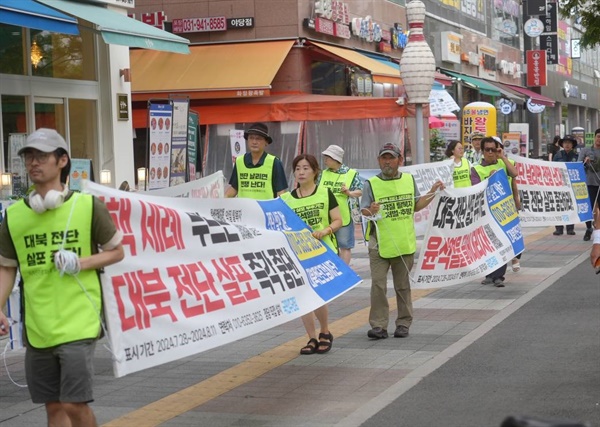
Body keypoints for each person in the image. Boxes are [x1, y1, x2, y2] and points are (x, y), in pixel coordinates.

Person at [0, 128, 125, 427]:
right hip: (38, 326)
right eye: (29, 156)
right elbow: (7, 267)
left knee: (73, 402)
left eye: (42, 156)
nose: (33, 163)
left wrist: (82, 262)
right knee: (54, 406)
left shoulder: (87, 207)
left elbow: (116, 252)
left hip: (78, 322)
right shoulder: (15, 216)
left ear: (62, 161)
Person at [361, 143, 445, 339]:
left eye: (391, 158)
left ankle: (404, 323)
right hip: (379, 243)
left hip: (403, 242)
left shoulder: (408, 180)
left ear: (399, 160)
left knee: (402, 286)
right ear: (378, 161)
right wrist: (370, 210)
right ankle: (378, 325)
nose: (387, 162)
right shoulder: (370, 184)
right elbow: (363, 211)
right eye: (384, 158)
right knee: (378, 285)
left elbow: (416, 205)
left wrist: (433, 191)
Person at [281, 154, 342, 355]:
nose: (301, 172)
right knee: (303, 295)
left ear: (315, 171)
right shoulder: (286, 199)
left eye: (306, 168)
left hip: (322, 251)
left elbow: (337, 220)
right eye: (298, 168)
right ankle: (311, 338)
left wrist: (325, 231)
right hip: (298, 253)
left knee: (317, 295)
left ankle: (325, 330)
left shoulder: (325, 193)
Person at [470, 136, 519, 287]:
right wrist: (489, 179)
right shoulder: (476, 169)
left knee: (502, 242)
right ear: (483, 151)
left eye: (494, 149)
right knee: (488, 242)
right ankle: (489, 274)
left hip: (505, 209)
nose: (491, 153)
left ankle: (499, 276)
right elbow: (475, 188)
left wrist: (502, 157)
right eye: (487, 150)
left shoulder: (506, 163)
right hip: (486, 211)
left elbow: (514, 174)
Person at [318, 144, 363, 264]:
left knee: (344, 246)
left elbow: (360, 191)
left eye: (328, 157)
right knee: (327, 245)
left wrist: (349, 192)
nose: (325, 160)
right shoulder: (322, 174)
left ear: (335, 159)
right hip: (325, 217)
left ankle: (345, 273)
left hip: (343, 216)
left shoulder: (351, 173)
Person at [225, 122, 287, 199]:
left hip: (265, 210)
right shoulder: (239, 161)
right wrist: (223, 199)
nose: (254, 142)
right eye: (251, 138)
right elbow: (235, 187)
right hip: (244, 210)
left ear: (266, 142)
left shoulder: (274, 162)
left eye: (258, 138)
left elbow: (281, 193)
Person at [552, 135, 579, 236]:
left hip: (571, 185)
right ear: (562, 144)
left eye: (569, 143)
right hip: (559, 184)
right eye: (565, 142)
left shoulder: (576, 156)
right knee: (559, 206)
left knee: (571, 206)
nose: (567, 144)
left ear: (572, 145)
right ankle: (559, 228)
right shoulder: (557, 155)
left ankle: (570, 228)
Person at [577, 128, 600, 241]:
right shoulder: (586, 150)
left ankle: (598, 229)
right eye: (598, 136)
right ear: (595, 137)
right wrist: (585, 163)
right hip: (590, 183)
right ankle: (588, 228)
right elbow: (578, 165)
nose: (599, 139)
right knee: (588, 207)